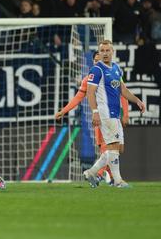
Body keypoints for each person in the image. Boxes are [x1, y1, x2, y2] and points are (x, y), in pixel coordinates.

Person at [54, 51, 130, 184]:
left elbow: (123, 95)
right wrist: (63, 111)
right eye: (95, 60)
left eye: (99, 60)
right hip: (100, 117)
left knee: (117, 149)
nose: (96, 62)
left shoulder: (112, 74)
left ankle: (97, 173)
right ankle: (106, 176)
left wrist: (126, 115)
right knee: (106, 147)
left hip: (113, 116)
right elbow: (78, 98)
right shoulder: (88, 80)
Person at [83, 40, 146, 188]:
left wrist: (137, 100)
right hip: (105, 113)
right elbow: (90, 93)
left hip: (115, 113)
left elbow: (123, 90)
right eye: (102, 50)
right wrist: (95, 112)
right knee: (113, 146)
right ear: (99, 53)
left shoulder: (116, 68)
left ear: (113, 52)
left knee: (118, 148)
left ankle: (92, 172)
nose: (105, 53)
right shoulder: (97, 70)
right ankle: (118, 181)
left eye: (107, 50)